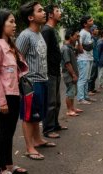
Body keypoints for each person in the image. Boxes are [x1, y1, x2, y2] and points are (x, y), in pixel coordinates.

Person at [0, 8, 28, 174]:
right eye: (10, 21)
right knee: (3, 132)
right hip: (4, 96)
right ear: (1, 24)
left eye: (14, 21)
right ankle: (2, 168)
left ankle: (9, 165)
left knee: (9, 132)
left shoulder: (10, 45)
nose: (14, 24)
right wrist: (1, 101)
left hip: (14, 93)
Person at [16, 1, 56, 161]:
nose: (44, 13)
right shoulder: (25, 36)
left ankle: (38, 140)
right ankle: (29, 147)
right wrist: (22, 81)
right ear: (31, 17)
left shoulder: (38, 33)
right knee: (28, 116)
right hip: (31, 83)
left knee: (37, 114)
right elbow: (17, 58)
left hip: (43, 80)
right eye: (40, 11)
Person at [42, 4, 67, 139]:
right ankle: (48, 129)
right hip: (50, 72)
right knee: (50, 102)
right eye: (57, 11)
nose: (60, 13)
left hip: (55, 71)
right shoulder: (46, 30)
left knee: (57, 101)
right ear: (50, 14)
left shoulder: (52, 30)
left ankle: (55, 124)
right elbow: (43, 52)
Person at [61, 29, 82, 117]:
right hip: (69, 73)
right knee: (70, 91)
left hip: (73, 73)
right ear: (70, 36)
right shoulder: (65, 48)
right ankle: (69, 110)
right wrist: (73, 75)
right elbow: (67, 63)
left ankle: (72, 108)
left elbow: (81, 51)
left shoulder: (70, 47)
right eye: (75, 36)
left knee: (73, 91)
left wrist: (78, 40)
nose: (76, 37)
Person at [77, 15, 96, 105]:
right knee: (83, 79)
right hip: (83, 59)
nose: (92, 21)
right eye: (90, 20)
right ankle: (80, 98)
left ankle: (85, 96)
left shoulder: (88, 32)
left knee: (87, 79)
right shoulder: (82, 33)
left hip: (89, 58)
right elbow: (78, 44)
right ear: (85, 24)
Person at [88, 25, 100, 95]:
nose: (97, 30)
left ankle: (92, 89)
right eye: (96, 29)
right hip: (92, 59)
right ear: (92, 31)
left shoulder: (95, 38)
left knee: (95, 75)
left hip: (96, 59)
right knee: (91, 75)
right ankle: (89, 90)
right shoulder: (91, 39)